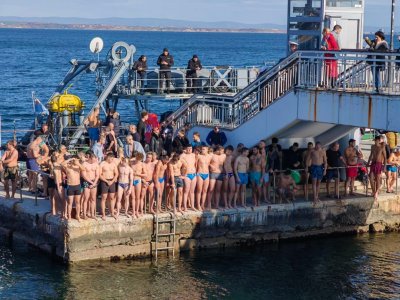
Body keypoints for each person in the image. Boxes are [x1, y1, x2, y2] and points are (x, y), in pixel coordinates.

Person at [62, 156, 85, 221]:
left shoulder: (78, 167)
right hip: (70, 186)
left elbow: (83, 169)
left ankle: (77, 216)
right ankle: (69, 216)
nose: (75, 161)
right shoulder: (67, 167)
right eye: (74, 160)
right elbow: (62, 164)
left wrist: (78, 163)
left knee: (78, 202)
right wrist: (70, 159)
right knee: (70, 202)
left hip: (77, 186)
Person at [99, 153, 119, 220]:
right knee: (104, 198)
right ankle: (103, 214)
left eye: (113, 159)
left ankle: (112, 212)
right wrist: (107, 181)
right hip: (104, 181)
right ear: (108, 157)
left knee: (112, 198)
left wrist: (112, 181)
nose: (112, 160)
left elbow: (116, 174)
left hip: (112, 181)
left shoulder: (113, 164)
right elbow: (99, 175)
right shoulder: (102, 164)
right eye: (111, 159)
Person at [81, 151, 100, 220]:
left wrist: (94, 183)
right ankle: (84, 214)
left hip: (94, 181)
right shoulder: (84, 164)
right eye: (93, 160)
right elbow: (84, 175)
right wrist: (90, 182)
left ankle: (92, 214)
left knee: (93, 199)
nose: (94, 161)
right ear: (90, 158)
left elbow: (97, 175)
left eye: (95, 160)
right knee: (86, 198)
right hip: (87, 181)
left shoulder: (96, 164)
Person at [367, 135, 387, 200]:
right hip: (373, 163)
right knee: (371, 177)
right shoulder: (372, 147)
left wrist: (384, 166)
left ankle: (376, 192)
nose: (375, 142)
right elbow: (370, 155)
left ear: (378, 140)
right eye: (374, 141)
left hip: (379, 164)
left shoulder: (382, 147)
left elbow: (385, 158)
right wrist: (368, 163)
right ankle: (373, 191)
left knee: (378, 179)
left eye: (375, 141)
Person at [207, 145, 226, 210]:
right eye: (222, 151)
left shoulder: (223, 156)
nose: (223, 152)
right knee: (211, 189)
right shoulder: (211, 155)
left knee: (218, 190)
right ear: (218, 150)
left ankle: (217, 205)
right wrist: (211, 166)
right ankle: (209, 205)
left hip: (220, 174)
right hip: (213, 173)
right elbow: (206, 162)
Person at [180, 145, 197, 211]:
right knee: (186, 191)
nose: (190, 150)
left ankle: (192, 206)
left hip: (193, 174)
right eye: (188, 149)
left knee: (192, 192)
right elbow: (180, 165)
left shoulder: (193, 155)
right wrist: (182, 174)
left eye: (191, 148)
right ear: (185, 149)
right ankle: (185, 207)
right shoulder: (183, 156)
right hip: (187, 175)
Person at [196, 145, 212, 210]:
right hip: (200, 174)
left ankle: (203, 204)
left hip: (207, 174)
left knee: (205, 190)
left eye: (204, 149)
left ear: (207, 150)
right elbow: (196, 165)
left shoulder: (210, 156)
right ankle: (198, 205)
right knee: (199, 190)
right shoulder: (199, 156)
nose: (202, 150)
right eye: (202, 149)